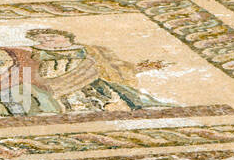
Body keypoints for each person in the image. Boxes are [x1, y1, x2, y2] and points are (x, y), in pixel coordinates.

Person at [23, 28, 172, 114]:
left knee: (111, 99)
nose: (46, 40)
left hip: (88, 82)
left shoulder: (91, 50)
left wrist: (138, 68)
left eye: (52, 36)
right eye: (41, 38)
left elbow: (113, 66)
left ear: (66, 37)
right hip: (52, 84)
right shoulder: (33, 51)